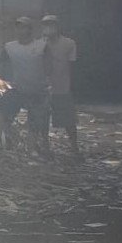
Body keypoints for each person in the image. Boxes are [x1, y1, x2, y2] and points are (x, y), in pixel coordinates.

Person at [0, 17, 48, 153]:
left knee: (35, 122)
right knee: (0, 110)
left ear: (30, 30)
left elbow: (51, 64)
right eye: (18, 27)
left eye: (24, 27)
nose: (20, 30)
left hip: (38, 91)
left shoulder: (41, 45)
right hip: (18, 89)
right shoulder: (10, 47)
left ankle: (33, 148)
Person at [40, 15, 80, 156]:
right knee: (42, 117)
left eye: (51, 25)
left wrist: (72, 86)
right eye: (46, 25)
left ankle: (74, 146)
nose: (48, 28)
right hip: (44, 87)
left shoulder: (69, 44)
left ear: (58, 27)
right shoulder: (39, 44)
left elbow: (72, 66)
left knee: (68, 119)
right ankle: (45, 145)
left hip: (63, 86)